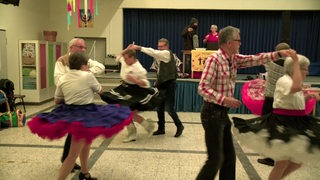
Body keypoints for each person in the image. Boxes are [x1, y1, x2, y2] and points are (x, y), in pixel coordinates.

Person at [196, 25, 292, 180]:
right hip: (211, 113)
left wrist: (279, 53)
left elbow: (255, 59)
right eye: (238, 40)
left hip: (221, 114)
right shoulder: (214, 60)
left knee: (228, 158)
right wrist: (225, 99)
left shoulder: (232, 58)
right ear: (229, 43)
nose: (240, 43)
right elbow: (202, 88)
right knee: (215, 160)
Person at [28, 52, 132, 180]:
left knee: (86, 142)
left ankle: (84, 173)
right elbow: (99, 90)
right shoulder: (87, 76)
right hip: (84, 115)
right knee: (72, 154)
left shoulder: (63, 78)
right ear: (84, 65)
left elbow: (57, 100)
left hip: (70, 113)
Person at [232, 53, 320, 180]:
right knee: (282, 162)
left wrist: (308, 97)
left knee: (297, 161)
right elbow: (294, 89)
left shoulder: (296, 82)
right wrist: (295, 63)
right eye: (304, 69)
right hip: (283, 123)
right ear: (296, 69)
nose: (307, 72)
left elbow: (296, 101)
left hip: (296, 122)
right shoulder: (285, 80)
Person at [54, 38, 105, 171]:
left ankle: (77, 165)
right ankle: (69, 161)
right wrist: (74, 78)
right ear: (71, 47)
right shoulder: (61, 60)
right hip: (69, 100)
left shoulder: (84, 60)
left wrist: (86, 73)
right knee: (75, 134)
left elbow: (101, 67)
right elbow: (58, 80)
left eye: (84, 48)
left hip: (82, 103)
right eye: (80, 47)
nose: (83, 50)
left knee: (78, 135)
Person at [128, 38, 184, 137]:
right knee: (160, 108)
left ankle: (179, 125)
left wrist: (138, 47)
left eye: (162, 46)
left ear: (167, 47)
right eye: (159, 46)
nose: (160, 48)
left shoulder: (166, 54)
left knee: (170, 108)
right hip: (162, 85)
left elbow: (153, 52)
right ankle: (161, 128)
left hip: (170, 84)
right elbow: (161, 71)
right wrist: (158, 81)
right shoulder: (160, 57)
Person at [100, 48, 158, 143]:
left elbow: (145, 83)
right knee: (129, 114)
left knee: (128, 113)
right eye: (125, 58)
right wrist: (128, 48)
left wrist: (135, 80)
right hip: (124, 88)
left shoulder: (139, 69)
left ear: (132, 58)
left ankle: (135, 132)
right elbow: (119, 56)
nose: (125, 60)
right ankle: (146, 126)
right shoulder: (124, 60)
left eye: (127, 58)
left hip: (136, 91)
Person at [257, 42, 290, 166]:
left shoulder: (270, 64)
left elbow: (261, 57)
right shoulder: (291, 67)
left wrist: (274, 55)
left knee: (269, 127)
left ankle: (271, 157)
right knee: (281, 128)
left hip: (271, 100)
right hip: (285, 100)